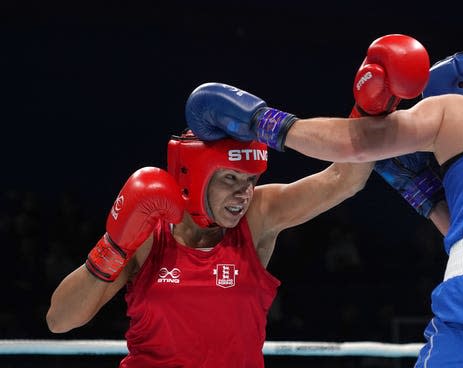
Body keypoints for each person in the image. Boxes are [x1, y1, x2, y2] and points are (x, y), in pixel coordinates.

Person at [193, 47, 463, 367]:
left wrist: (260, 120)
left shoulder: (461, 109)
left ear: (461, 84)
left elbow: (355, 143)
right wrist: (425, 197)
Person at [45, 34, 431, 368]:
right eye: (230, 178)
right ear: (193, 178)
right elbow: (60, 320)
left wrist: (370, 109)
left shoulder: (257, 217)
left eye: (250, 180)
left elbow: (342, 179)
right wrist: (114, 245)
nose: (243, 193)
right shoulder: (147, 232)